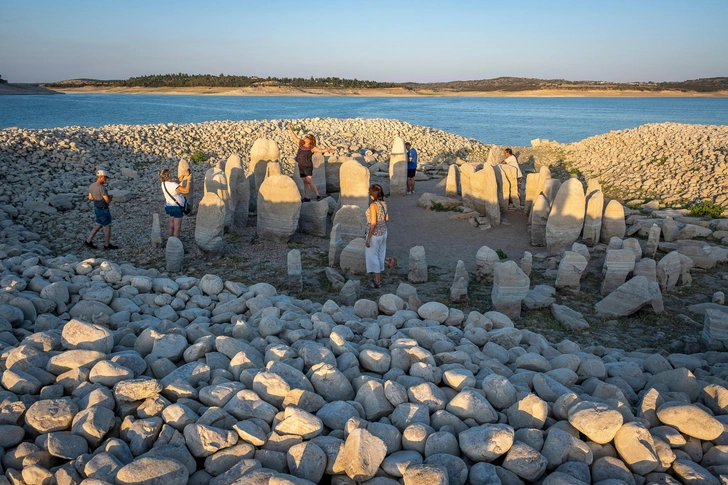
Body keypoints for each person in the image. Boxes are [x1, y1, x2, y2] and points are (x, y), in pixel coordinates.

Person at [287, 122, 335, 202]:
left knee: (309, 181)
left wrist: (328, 150)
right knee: (305, 182)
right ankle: (307, 197)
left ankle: (318, 195)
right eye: (306, 136)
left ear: (310, 140)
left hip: (307, 166)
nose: (305, 137)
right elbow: (294, 137)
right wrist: (290, 128)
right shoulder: (301, 143)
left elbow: (320, 150)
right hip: (301, 165)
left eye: (307, 137)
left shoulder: (312, 147)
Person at [85, 169, 117, 250]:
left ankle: (88, 241)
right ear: (101, 177)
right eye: (105, 178)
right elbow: (107, 201)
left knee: (98, 224)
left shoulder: (92, 186)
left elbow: (90, 197)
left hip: (97, 208)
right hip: (104, 209)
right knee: (107, 226)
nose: (106, 179)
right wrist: (110, 198)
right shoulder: (101, 188)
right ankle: (107, 245)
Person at [365, 183, 389, 288]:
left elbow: (373, 223)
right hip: (384, 232)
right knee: (380, 255)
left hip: (375, 235)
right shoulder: (384, 203)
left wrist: (368, 238)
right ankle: (379, 277)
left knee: (373, 257)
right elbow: (386, 218)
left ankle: (377, 281)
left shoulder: (373, 205)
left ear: (372, 195)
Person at [160, 169, 190, 237]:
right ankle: (175, 245)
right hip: (177, 207)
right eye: (170, 173)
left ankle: (170, 240)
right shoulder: (173, 185)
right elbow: (186, 190)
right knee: (177, 227)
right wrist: (189, 180)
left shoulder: (164, 183)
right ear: (169, 175)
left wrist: (183, 175)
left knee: (171, 225)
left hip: (169, 206)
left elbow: (176, 182)